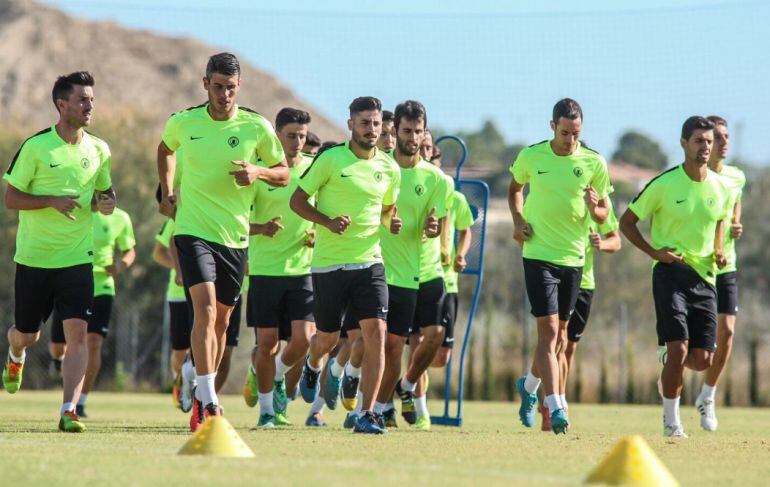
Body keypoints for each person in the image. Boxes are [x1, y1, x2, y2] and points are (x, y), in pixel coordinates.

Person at [156, 52, 288, 432]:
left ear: (239, 87)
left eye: (231, 87)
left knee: (223, 322)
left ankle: (201, 388)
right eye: (218, 86)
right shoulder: (184, 122)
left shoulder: (257, 126)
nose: (224, 94)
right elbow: (165, 149)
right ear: (205, 85)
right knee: (207, 311)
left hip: (235, 237)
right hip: (193, 230)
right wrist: (168, 192)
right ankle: (208, 400)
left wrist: (257, 170)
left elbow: (283, 173)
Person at [2, 71, 116, 433]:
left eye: (92, 100)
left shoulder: (99, 149)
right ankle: (15, 353)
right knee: (28, 333)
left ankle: (70, 409)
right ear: (61, 104)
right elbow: (10, 198)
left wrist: (107, 202)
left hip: (78, 259)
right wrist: (49, 200)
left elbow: (104, 194)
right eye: (82, 99)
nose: (89, 106)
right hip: (34, 260)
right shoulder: (36, 147)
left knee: (77, 335)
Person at [290, 96, 400, 434]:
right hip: (329, 265)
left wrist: (389, 222)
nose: (372, 129)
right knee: (326, 337)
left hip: (369, 263)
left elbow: (386, 208)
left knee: (376, 335)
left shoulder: (389, 168)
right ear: (350, 124)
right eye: (365, 123)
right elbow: (297, 201)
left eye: (376, 123)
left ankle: (368, 414)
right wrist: (326, 221)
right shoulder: (329, 160)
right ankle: (312, 363)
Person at [620, 116, 730, 438]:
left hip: (705, 278)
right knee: (680, 349)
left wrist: (719, 249)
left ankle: (669, 361)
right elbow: (627, 222)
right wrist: (655, 253)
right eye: (698, 141)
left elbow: (721, 218)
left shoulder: (720, 186)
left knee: (702, 359)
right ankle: (672, 423)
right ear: (683, 144)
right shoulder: (664, 184)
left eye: (709, 141)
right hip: (669, 272)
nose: (705, 147)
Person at [509, 98, 612, 434]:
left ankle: (527, 387)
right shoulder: (531, 155)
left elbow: (603, 214)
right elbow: (514, 188)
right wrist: (518, 218)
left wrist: (595, 207)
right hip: (538, 253)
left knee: (560, 339)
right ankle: (556, 408)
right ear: (552, 126)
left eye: (576, 133)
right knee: (549, 333)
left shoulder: (594, 162)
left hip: (574, 258)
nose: (570, 140)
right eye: (565, 132)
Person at [243, 108, 317, 429]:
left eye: (302, 136)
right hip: (264, 270)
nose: (298, 142)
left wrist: (320, 230)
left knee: (302, 341)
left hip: (302, 270)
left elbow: (328, 208)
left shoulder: (316, 169)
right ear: (276, 134)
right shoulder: (260, 172)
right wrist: (261, 228)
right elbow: (234, 221)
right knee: (267, 343)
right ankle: (267, 412)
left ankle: (271, 377)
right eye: (291, 135)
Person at [539, 200, 621, 430]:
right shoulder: (559, 195)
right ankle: (556, 403)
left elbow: (616, 241)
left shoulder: (600, 204)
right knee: (553, 339)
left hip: (584, 283)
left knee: (568, 346)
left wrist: (602, 244)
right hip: (555, 277)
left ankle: (547, 394)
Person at [49, 200, 136, 417]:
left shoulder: (121, 218)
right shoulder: (76, 209)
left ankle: (80, 401)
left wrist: (120, 266)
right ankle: (59, 360)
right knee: (59, 346)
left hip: (103, 286)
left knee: (93, 343)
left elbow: (129, 250)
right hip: (71, 282)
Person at [693, 116, 746, 432]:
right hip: (697, 267)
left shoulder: (736, 177)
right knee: (693, 347)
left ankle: (707, 396)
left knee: (727, 331)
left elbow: (732, 208)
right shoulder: (695, 178)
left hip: (726, 266)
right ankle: (668, 370)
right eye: (718, 137)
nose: (724, 142)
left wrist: (736, 225)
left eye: (727, 136)